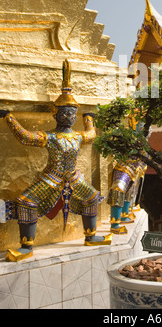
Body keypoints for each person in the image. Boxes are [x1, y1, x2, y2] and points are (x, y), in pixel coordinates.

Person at [0, 60, 112, 262]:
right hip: (51, 178)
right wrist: (9, 117)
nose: (68, 116)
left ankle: (91, 235)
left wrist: (88, 117)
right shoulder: (50, 137)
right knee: (26, 202)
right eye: (64, 112)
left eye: (72, 113)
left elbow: (91, 134)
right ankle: (26, 245)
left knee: (92, 199)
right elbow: (25, 137)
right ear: (56, 114)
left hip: (73, 178)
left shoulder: (77, 136)